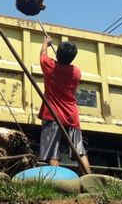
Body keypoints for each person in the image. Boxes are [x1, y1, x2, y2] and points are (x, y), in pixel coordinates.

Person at [38, 36, 91, 174]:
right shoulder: (76, 72)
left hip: (53, 115)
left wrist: (45, 43)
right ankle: (91, 180)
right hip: (71, 116)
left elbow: (43, 55)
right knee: (79, 151)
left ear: (58, 54)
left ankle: (56, 183)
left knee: (53, 152)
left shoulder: (49, 67)